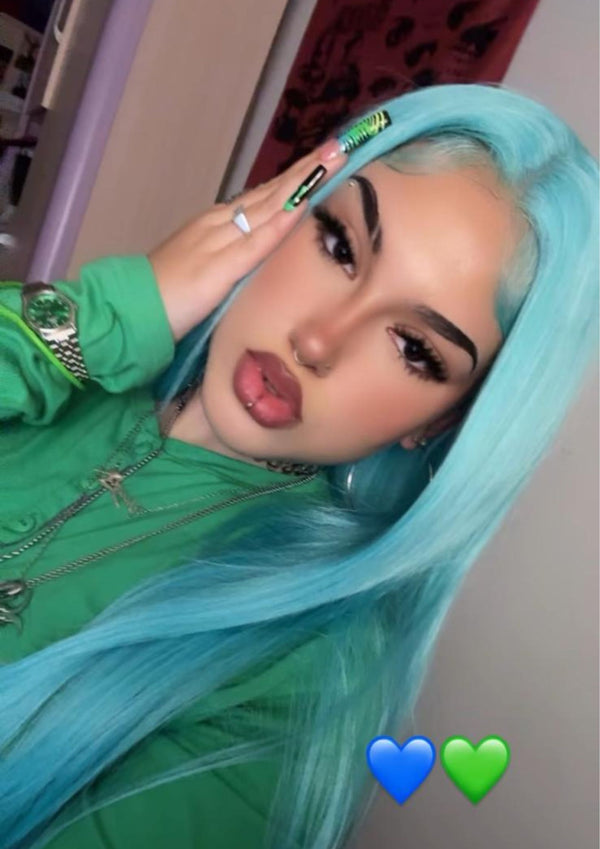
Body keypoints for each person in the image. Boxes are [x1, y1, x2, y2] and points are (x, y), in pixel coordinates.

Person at [0, 82, 598, 849]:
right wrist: (112, 315)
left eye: (415, 348)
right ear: (281, 214)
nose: (318, 340)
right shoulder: (68, 378)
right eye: (340, 245)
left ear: (441, 421)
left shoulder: (306, 680)